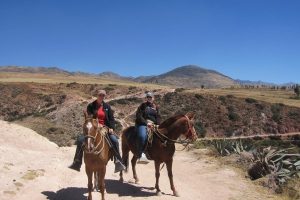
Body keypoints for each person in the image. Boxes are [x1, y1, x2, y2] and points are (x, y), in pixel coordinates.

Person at [69, 89, 125, 172]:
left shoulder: (107, 107)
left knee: (114, 140)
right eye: (100, 95)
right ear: (97, 95)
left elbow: (111, 119)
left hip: (105, 127)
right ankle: (77, 162)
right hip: (93, 127)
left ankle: (118, 161)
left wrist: (112, 128)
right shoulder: (91, 106)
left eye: (103, 95)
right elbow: (89, 118)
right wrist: (96, 124)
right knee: (80, 140)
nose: (101, 97)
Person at [135, 91, 161, 164]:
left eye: (150, 97)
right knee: (142, 136)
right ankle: (141, 154)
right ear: (146, 98)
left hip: (154, 124)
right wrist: (147, 123)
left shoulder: (156, 107)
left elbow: (158, 116)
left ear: (153, 98)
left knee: (162, 135)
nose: (149, 98)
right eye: (148, 97)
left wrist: (158, 124)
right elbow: (139, 116)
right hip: (143, 124)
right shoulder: (142, 106)